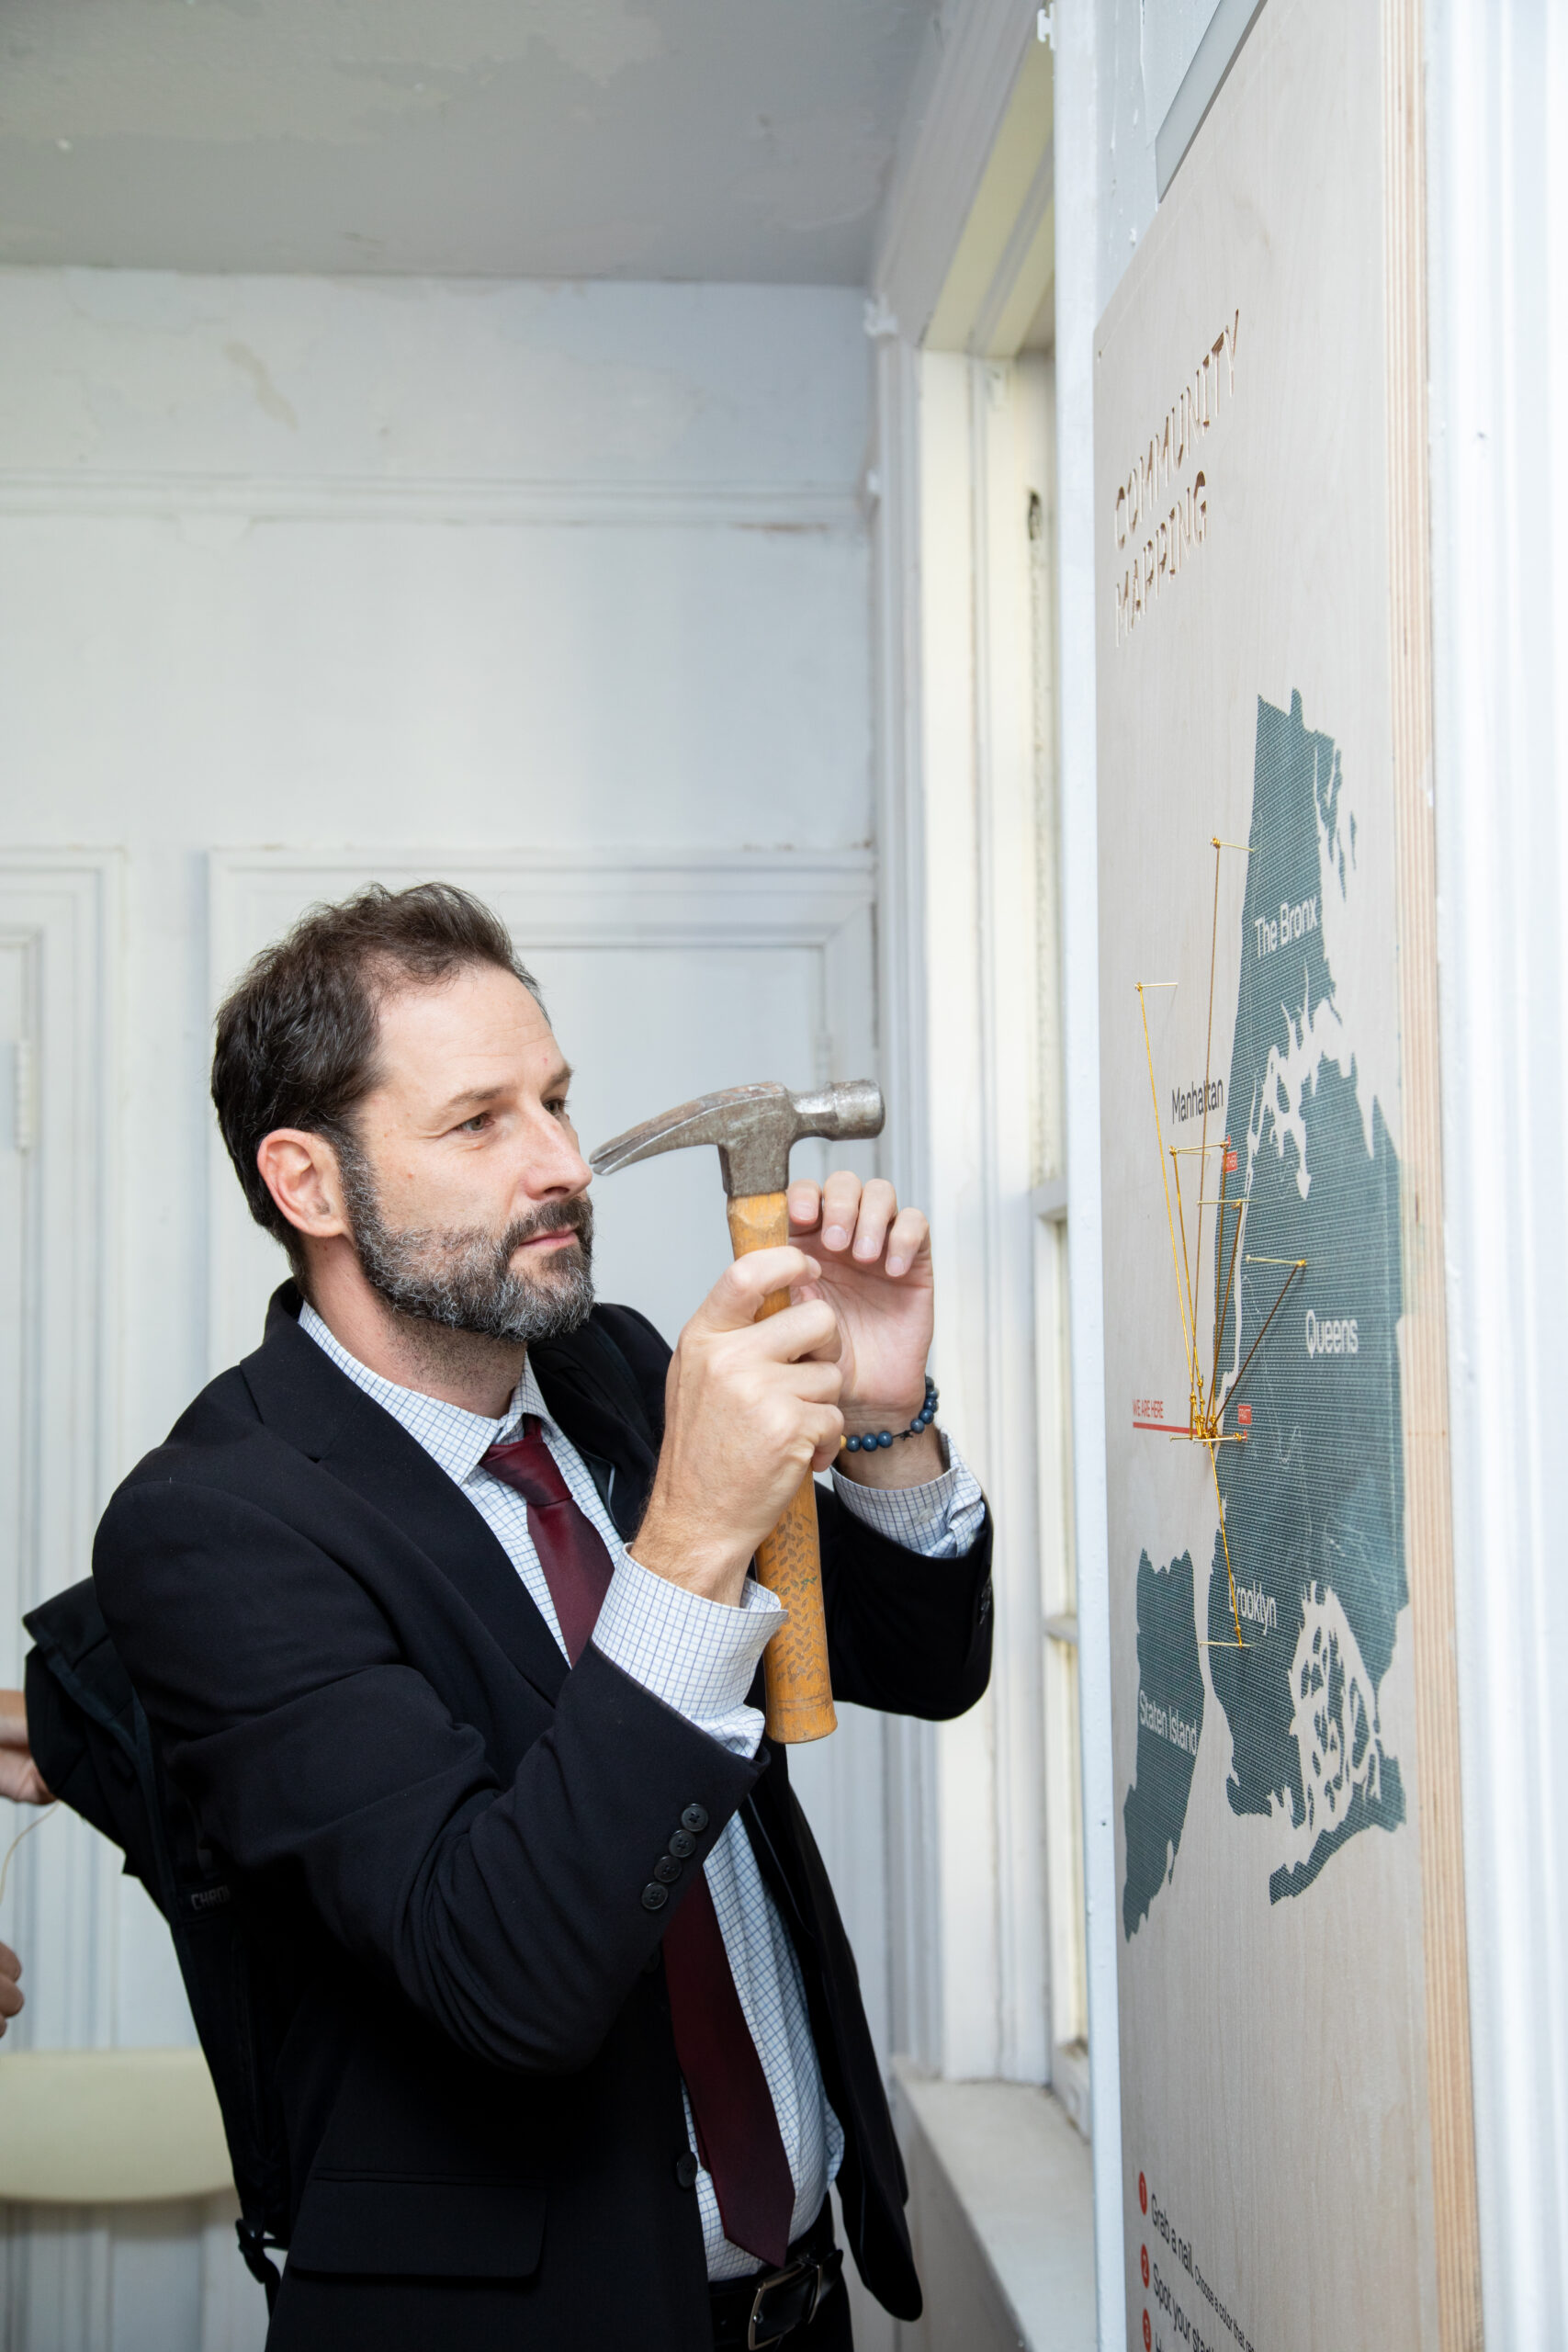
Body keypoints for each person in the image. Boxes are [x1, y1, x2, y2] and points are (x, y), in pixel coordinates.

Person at [89, 882, 993, 2350]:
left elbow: (917, 1662)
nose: (565, 1164)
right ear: (309, 1184)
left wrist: (888, 1419)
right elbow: (502, 1971)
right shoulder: (213, 1529)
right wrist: (693, 1535)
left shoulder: (621, 1370)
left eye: (559, 1101)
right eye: (478, 1122)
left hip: (809, 2296)